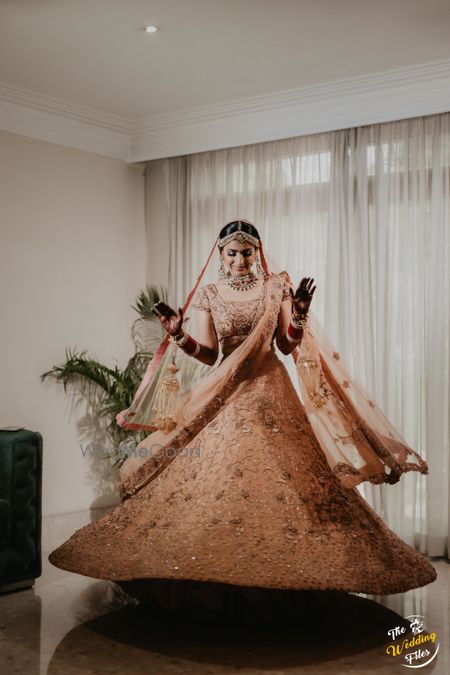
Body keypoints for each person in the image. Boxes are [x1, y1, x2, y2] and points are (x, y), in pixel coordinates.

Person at [49, 220, 436, 617]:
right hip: (226, 391)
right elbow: (208, 353)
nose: (239, 260)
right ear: (220, 255)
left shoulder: (275, 288)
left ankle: (290, 576)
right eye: (231, 253)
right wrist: (177, 334)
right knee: (214, 477)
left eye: (246, 252)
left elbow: (286, 345)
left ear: (257, 252)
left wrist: (299, 314)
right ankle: (214, 577)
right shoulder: (209, 295)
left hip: (270, 391)